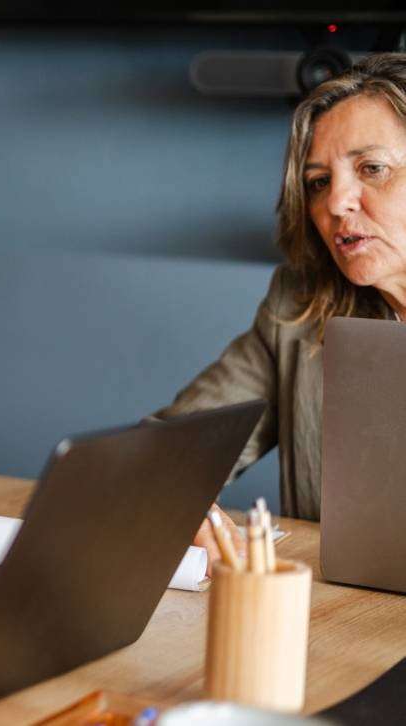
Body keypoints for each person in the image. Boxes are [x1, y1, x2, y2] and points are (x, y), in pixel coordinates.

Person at [159, 54, 406, 557]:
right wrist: (174, 500)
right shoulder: (298, 309)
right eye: (318, 181)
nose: (336, 203)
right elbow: (166, 454)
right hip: (339, 618)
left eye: (372, 168)